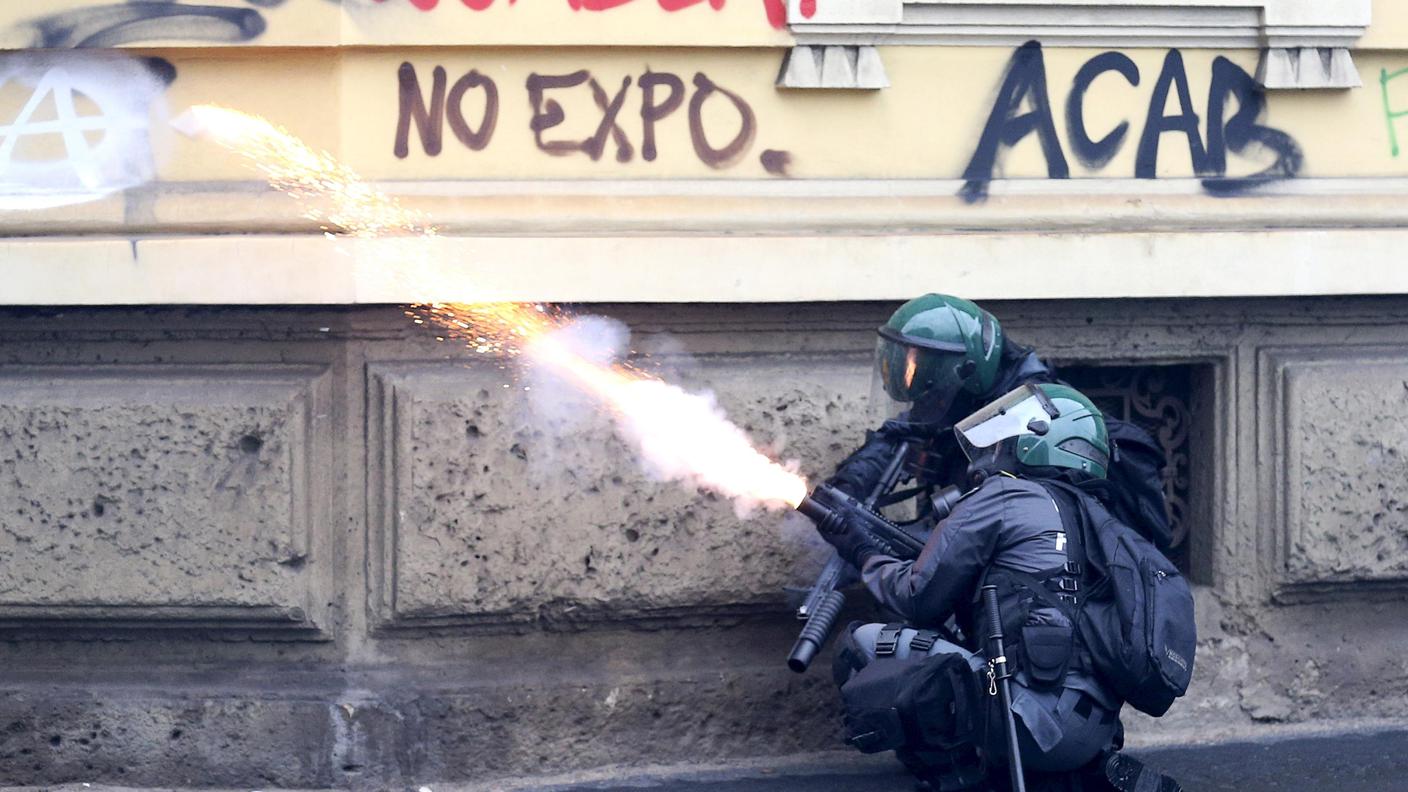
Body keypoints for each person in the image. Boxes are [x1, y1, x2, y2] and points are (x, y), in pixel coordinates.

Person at [816, 383, 1183, 792]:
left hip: (1027, 723)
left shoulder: (1007, 494)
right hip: (1093, 732)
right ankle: (1078, 775)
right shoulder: (1099, 521)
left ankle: (960, 780)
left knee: (862, 644)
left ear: (1040, 440)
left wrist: (863, 551)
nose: (998, 449)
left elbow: (917, 598)